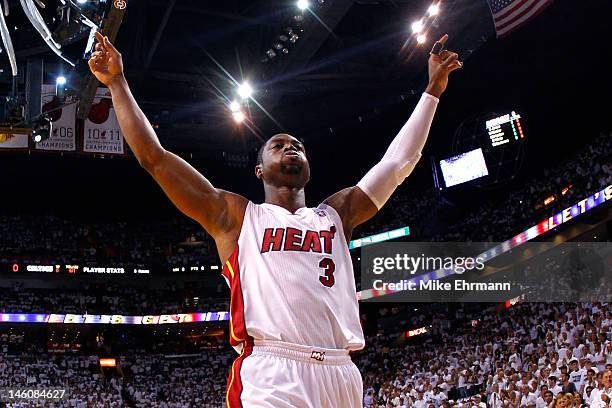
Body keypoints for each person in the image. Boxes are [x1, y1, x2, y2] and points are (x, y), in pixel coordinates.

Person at [88, 30, 462, 407]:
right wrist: (117, 82)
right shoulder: (236, 217)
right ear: (259, 170)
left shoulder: (336, 214)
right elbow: (154, 157)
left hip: (341, 372)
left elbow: (398, 164)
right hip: (273, 371)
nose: (291, 148)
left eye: (297, 145)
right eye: (278, 145)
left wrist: (431, 92)